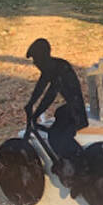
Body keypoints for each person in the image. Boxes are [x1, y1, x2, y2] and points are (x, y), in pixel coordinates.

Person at [24, 38, 89, 196]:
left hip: (76, 112)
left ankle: (81, 171)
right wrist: (30, 104)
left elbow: (50, 94)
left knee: (57, 137)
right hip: (68, 109)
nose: (36, 64)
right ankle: (65, 162)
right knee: (58, 118)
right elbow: (40, 87)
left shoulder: (60, 68)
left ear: (44, 57)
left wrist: (36, 113)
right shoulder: (51, 68)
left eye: (36, 60)